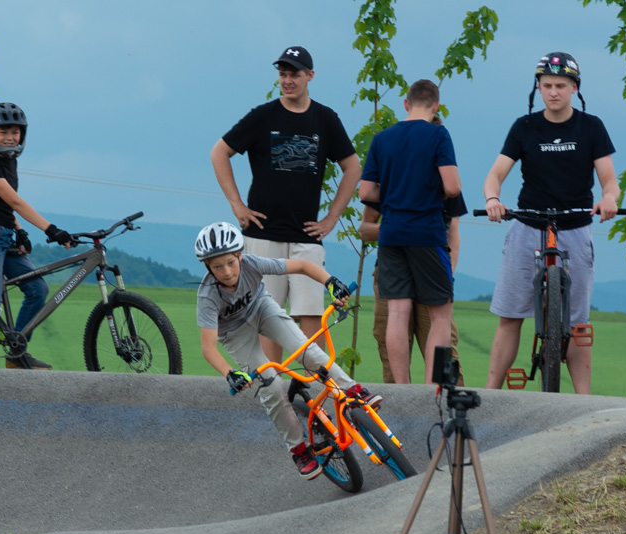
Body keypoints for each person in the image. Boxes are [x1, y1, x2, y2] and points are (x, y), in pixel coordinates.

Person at [194, 221, 381, 480]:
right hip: (235, 334)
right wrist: (230, 374)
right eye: (217, 266)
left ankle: (353, 390)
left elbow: (303, 265)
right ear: (207, 266)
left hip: (262, 309)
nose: (226, 271)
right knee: (271, 388)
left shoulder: (251, 263)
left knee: (308, 350)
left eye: (231, 262)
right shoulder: (207, 296)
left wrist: (330, 282)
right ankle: (299, 450)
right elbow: (208, 347)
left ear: (239, 255)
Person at [210, 46, 361, 364]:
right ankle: (274, 390)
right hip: (263, 235)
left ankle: (319, 393)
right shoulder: (263, 116)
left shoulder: (325, 118)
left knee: (311, 319)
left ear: (310, 76)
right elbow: (219, 153)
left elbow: (353, 167)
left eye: (295, 74)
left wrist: (332, 217)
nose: (288, 80)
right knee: (268, 318)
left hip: (307, 236)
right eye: (283, 74)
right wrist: (237, 205)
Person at [483, 52, 621, 394]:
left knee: (577, 323)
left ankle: (583, 400)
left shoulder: (591, 126)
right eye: (546, 86)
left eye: (561, 85)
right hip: (528, 223)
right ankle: (490, 392)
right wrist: (493, 200)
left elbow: (609, 181)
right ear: (539, 88)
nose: (553, 92)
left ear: (574, 87)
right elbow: (496, 175)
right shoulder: (524, 127)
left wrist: (609, 200)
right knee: (510, 314)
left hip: (574, 225)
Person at [358, 80, 462, 385]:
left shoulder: (382, 138)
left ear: (406, 103)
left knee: (397, 312)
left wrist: (395, 194)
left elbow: (365, 191)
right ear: (436, 107)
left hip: (391, 235)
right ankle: (431, 390)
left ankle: (402, 389)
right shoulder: (438, 134)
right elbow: (453, 186)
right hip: (427, 234)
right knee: (440, 314)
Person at [0, 102, 74, 369]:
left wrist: (20, 232)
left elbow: (4, 206)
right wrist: (52, 230)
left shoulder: (10, 162)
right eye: (3, 132)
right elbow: (15, 202)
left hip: (3, 235)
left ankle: (16, 353)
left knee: (37, 289)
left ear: (22, 135)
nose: (10, 137)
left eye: (15, 131)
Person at [360, 198, 466, 386]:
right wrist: (401, 228)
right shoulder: (388, 172)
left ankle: (448, 410)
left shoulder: (443, 174)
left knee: (445, 358)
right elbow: (365, 229)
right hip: (393, 271)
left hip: (433, 271)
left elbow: (453, 233)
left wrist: (448, 276)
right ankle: (400, 409)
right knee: (391, 362)